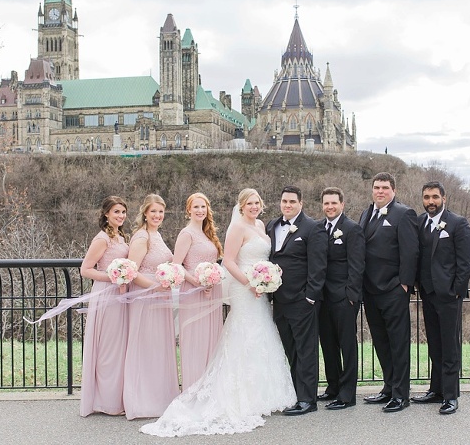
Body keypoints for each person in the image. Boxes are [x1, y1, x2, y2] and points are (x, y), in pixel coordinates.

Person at [140, 188, 295, 436]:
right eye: (249, 203)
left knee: (261, 334)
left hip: (259, 289)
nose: (254, 207)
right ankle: (239, 394)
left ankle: (262, 394)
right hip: (244, 288)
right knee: (243, 333)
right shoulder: (236, 228)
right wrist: (249, 282)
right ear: (241, 206)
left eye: (257, 203)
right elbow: (230, 261)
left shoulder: (262, 226)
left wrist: (266, 278)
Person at [411, 181, 470, 415]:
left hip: (448, 295)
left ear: (444, 198)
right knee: (435, 344)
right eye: (426, 197)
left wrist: (457, 290)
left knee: (449, 346)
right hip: (428, 293)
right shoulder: (419, 222)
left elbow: (466, 261)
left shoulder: (458, 223)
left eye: (435, 197)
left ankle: (450, 395)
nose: (430, 201)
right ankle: (436, 390)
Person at [359, 172, 418, 413]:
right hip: (370, 291)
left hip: (393, 290)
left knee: (398, 343)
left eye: (384, 187)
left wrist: (404, 284)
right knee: (381, 342)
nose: (380, 191)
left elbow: (411, 251)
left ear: (393, 190)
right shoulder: (366, 213)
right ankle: (388, 388)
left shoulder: (404, 214)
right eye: (376, 187)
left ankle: (401, 395)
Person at [267, 185, 328, 416]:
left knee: (306, 351)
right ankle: (294, 394)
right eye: (284, 201)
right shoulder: (272, 225)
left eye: (292, 201)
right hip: (279, 301)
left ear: (300, 203)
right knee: (290, 351)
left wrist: (310, 298)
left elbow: (318, 266)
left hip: (303, 302)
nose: (288, 205)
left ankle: (307, 400)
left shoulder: (313, 228)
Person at [123, 194, 180, 419]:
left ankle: (160, 397)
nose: (157, 216)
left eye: (161, 212)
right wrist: (154, 287)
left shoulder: (157, 235)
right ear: (145, 213)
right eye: (153, 211)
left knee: (159, 346)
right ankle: (141, 400)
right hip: (145, 297)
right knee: (145, 345)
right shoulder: (141, 237)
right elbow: (132, 272)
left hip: (161, 296)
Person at [79, 196, 130, 417]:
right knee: (108, 348)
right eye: (116, 212)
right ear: (107, 214)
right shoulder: (102, 239)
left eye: (123, 212)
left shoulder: (120, 237)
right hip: (106, 295)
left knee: (119, 347)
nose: (120, 216)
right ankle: (106, 402)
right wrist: (113, 277)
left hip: (120, 296)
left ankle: (116, 397)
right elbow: (86, 269)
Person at [317, 187, 364, 410]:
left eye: (334, 203)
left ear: (342, 204)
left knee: (347, 345)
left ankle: (347, 394)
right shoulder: (318, 228)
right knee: (327, 344)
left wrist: (351, 296)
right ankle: (333, 387)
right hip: (322, 297)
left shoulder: (352, 229)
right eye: (326, 203)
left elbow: (357, 265)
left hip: (344, 298)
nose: (330, 207)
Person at [176, 192, 224, 390]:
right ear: (189, 210)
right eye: (196, 207)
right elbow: (176, 265)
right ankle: (193, 389)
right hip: (193, 293)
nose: (200, 210)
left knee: (211, 340)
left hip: (212, 291)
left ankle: (209, 388)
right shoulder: (186, 234)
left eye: (203, 207)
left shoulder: (207, 233)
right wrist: (198, 282)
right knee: (196, 340)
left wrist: (212, 278)